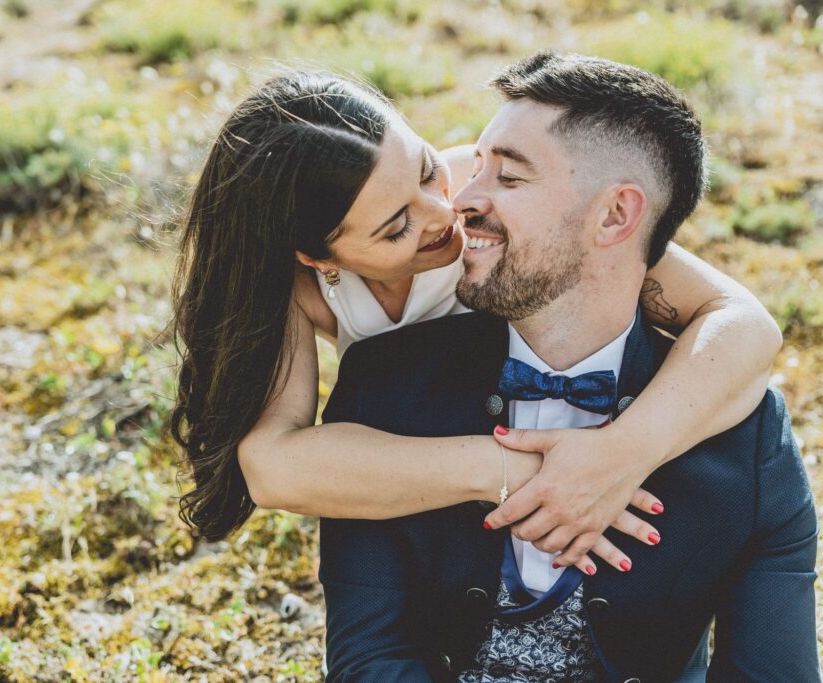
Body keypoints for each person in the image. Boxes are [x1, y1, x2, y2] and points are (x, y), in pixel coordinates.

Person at [318, 52, 819, 681]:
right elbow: (367, 661)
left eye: (509, 177)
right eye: (477, 166)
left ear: (614, 215)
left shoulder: (748, 439)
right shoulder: (385, 387)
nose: (461, 201)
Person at [169, 68, 782, 576]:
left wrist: (620, 455)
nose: (446, 214)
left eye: (424, 169)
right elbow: (272, 467)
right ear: (319, 257)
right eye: (396, 227)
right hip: (445, 479)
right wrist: (512, 473)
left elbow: (744, 322)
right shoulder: (296, 288)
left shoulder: (490, 195)